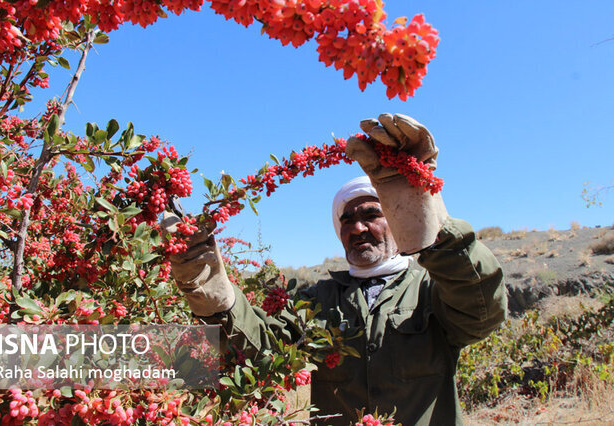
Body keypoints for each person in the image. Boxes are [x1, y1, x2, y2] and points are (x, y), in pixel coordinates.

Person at [163, 113, 507, 425]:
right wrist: (215, 296)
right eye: (347, 219)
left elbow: (482, 310)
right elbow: (259, 348)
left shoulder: (430, 291)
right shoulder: (317, 301)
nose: (357, 228)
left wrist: (433, 227)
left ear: (395, 215)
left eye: (371, 214)